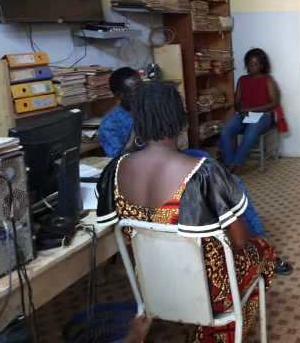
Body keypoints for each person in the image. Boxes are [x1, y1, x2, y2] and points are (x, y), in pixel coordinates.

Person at [97, 81, 275, 342]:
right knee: (262, 249)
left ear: (137, 122)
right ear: (181, 120)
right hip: (206, 291)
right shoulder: (204, 172)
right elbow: (239, 240)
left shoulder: (114, 172)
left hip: (152, 285)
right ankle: (222, 332)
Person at [220, 48, 280, 172]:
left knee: (251, 131)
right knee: (225, 130)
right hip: (245, 115)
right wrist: (240, 108)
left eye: (255, 64)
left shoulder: (267, 80)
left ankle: (236, 164)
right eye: (249, 63)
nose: (251, 66)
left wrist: (252, 109)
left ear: (262, 65)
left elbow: (274, 103)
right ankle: (229, 163)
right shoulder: (242, 80)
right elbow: (237, 102)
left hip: (263, 115)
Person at [98, 67, 142, 158]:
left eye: (143, 88)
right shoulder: (110, 124)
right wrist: (136, 130)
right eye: (136, 91)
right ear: (119, 95)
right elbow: (119, 160)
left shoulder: (150, 109)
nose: (142, 93)